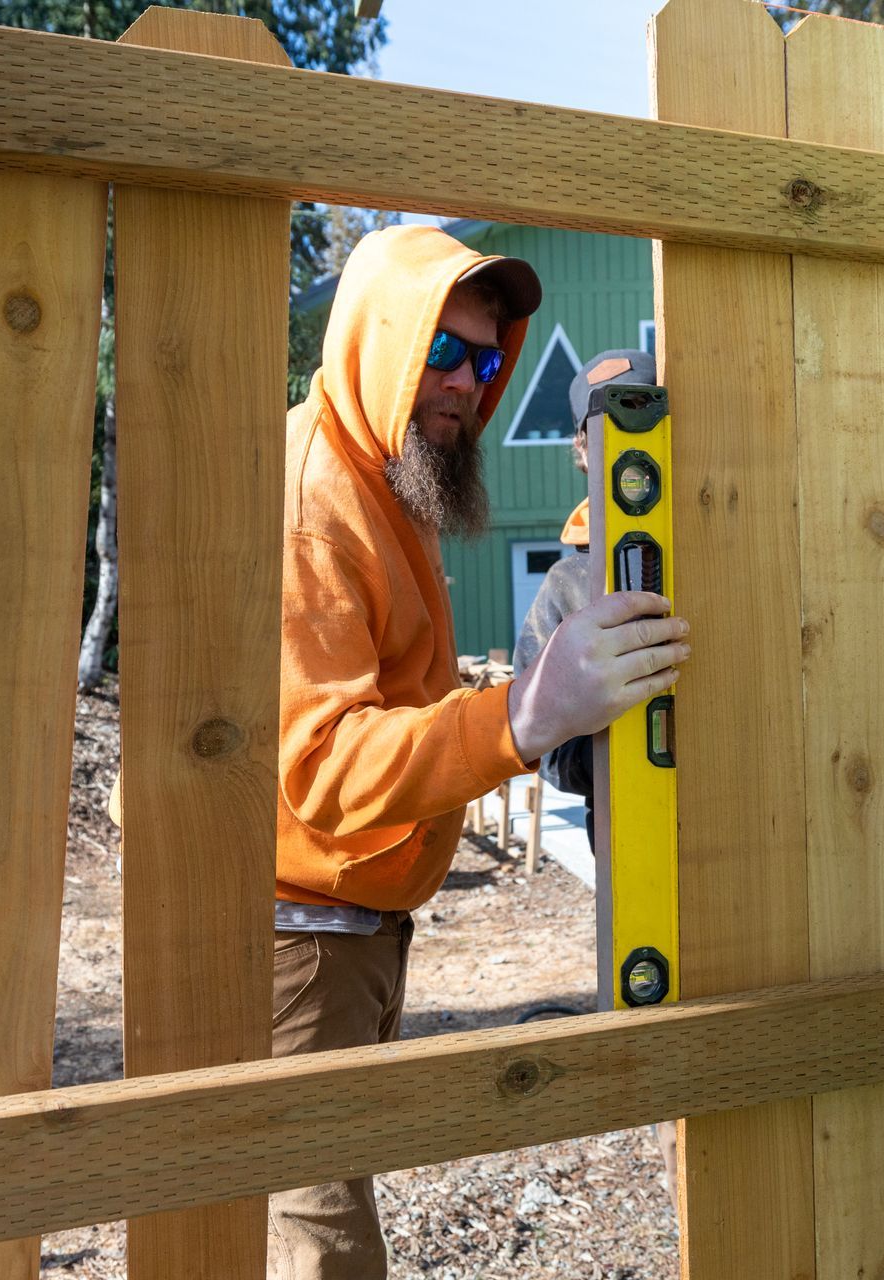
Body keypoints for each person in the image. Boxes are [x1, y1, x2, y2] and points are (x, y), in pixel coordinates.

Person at [267, 228, 691, 1279]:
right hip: (292, 938)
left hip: (347, 930)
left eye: (490, 358)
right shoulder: (318, 503)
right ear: (378, 341)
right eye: (442, 352)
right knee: (318, 1248)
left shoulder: (382, 486)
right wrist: (521, 716)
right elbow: (318, 764)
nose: (467, 381)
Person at [511, 346, 681, 1197]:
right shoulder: (569, 583)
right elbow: (545, 744)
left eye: (643, 407)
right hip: (627, 817)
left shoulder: (705, 536)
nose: (623, 434)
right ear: (582, 448)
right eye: (604, 421)